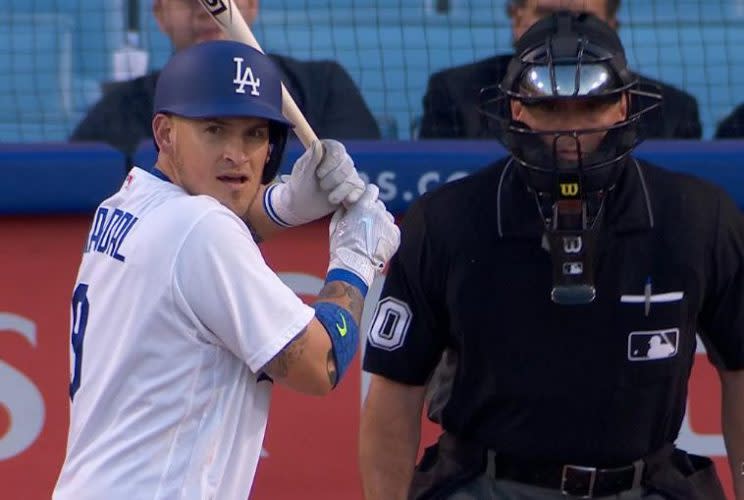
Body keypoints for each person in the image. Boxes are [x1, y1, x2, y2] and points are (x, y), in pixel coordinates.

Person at [360, 12, 743, 500]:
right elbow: (394, 394)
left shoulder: (697, 218)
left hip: (647, 484)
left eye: (591, 106)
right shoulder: (447, 221)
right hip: (487, 483)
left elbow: (740, 369)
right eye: (551, 108)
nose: (572, 130)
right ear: (517, 109)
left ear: (624, 104)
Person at [53, 40, 400, 499]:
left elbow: (204, 234)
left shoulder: (128, 201)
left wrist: (286, 204)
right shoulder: (201, 228)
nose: (237, 154)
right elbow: (322, 364)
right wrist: (357, 260)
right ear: (165, 133)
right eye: (215, 129)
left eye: (254, 134)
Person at [70, 0, 380, 160]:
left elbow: (363, 174)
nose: (206, 12)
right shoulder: (121, 109)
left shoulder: (323, 86)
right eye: (190, 1)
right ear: (160, 15)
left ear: (252, 5)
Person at [419, 0, 702, 140]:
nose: (564, 31)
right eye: (548, 15)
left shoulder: (670, 112)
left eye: (584, 18)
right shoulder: (457, 95)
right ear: (517, 19)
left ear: (612, 26)